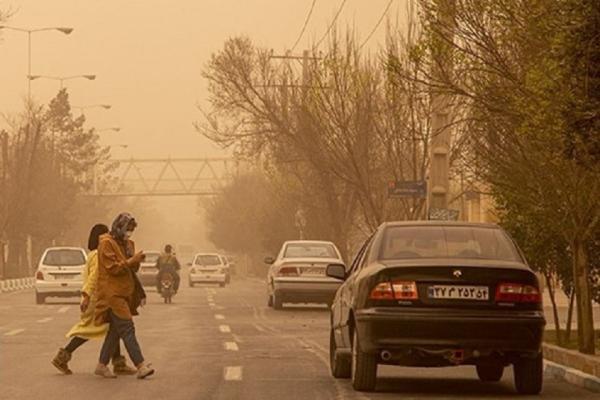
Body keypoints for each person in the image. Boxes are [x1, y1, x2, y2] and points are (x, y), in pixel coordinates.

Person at [51, 224, 137, 375]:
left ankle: (118, 362)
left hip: (97, 297)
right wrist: (87, 296)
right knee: (89, 330)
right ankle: (63, 356)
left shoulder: (93, 254)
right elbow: (94, 277)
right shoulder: (99, 255)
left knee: (113, 328)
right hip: (97, 299)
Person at [94, 212, 154, 379]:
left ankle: (101, 365)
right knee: (127, 328)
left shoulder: (127, 244)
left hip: (124, 293)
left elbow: (131, 270)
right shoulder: (106, 243)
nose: (129, 233)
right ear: (118, 226)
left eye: (131, 230)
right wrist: (131, 260)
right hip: (112, 294)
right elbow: (113, 268)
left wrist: (135, 261)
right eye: (127, 229)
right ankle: (141, 365)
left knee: (115, 331)